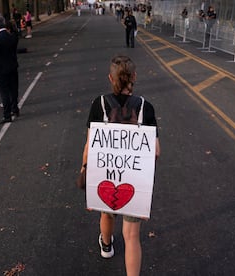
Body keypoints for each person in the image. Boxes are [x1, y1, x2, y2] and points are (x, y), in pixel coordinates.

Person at [81, 55, 161, 276]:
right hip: (134, 179)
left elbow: (90, 145)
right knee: (132, 236)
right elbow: (155, 150)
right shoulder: (146, 107)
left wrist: (84, 171)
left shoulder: (99, 104)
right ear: (134, 77)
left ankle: (106, 245)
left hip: (105, 174)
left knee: (106, 213)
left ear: (110, 78)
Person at [0, 15, 20, 124]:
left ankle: (7, 115)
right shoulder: (11, 36)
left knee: (4, 93)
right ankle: (15, 109)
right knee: (13, 90)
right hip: (12, 66)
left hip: (0, 69)